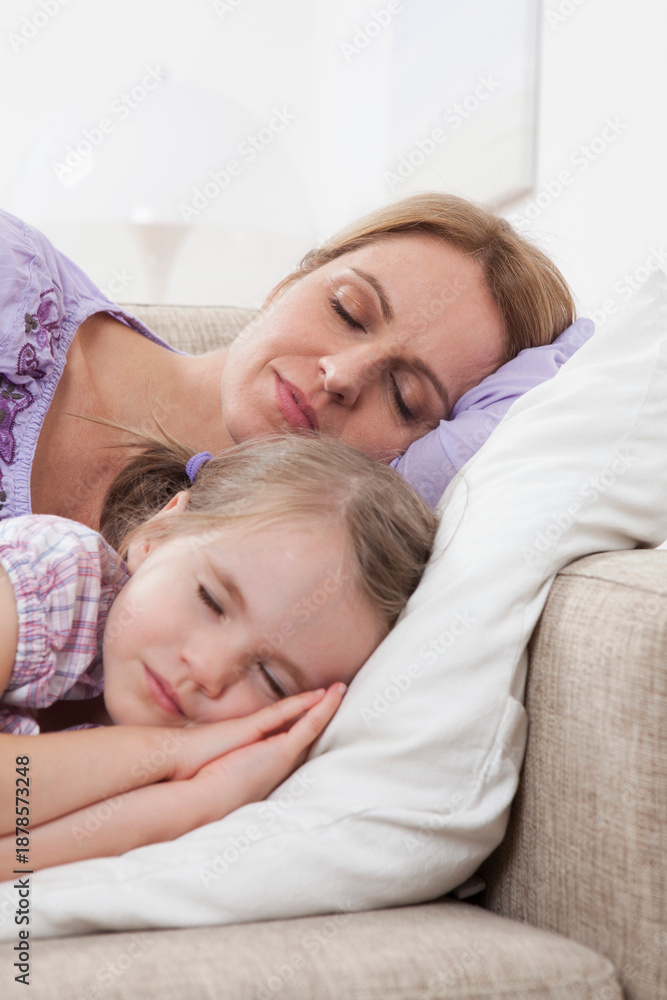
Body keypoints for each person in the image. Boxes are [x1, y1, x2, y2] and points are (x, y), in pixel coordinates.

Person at [0, 192, 589, 529]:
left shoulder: (264, 586)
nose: (343, 375)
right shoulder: (14, 279)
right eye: (348, 310)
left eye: (404, 397)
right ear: (289, 282)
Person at [0, 433, 437, 875]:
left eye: (271, 679)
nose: (208, 669)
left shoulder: (213, 771)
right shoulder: (55, 571)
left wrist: (197, 800)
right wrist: (174, 752)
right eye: (210, 600)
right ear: (158, 534)